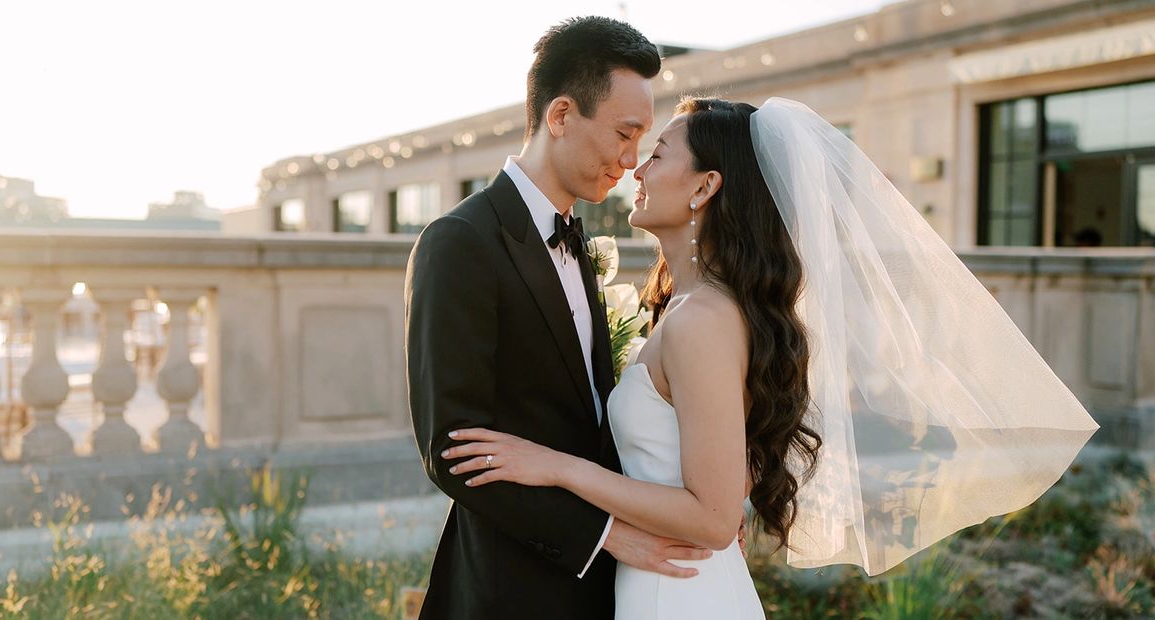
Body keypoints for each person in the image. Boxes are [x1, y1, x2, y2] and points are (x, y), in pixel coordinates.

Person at [442, 97, 1099, 618]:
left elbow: (713, 515)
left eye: (660, 154)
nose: (637, 168)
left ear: (705, 187)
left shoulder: (702, 320)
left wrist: (555, 468)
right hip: (665, 581)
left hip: (679, 595)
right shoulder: (697, 309)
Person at [405, 17, 718, 620]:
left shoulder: (579, 239)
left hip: (607, 589)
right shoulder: (460, 242)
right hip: (510, 588)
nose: (632, 161)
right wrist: (605, 535)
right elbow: (451, 449)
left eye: (644, 142)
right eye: (625, 135)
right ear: (561, 116)